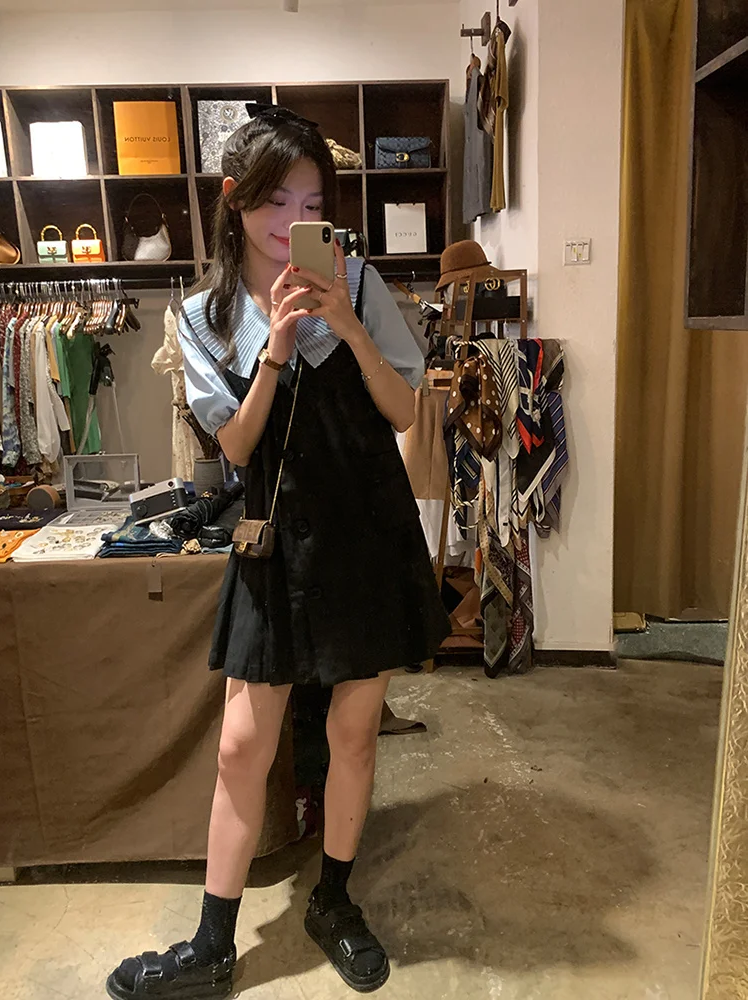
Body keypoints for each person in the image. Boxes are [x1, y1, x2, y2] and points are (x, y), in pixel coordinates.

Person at [106, 106, 450, 1000]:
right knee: (240, 747)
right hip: (273, 545)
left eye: (312, 204)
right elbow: (236, 448)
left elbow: (404, 412)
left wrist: (352, 328)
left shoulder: (359, 282)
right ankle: (213, 943)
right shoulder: (202, 317)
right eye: (275, 202)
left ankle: (332, 901)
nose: (293, 220)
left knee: (353, 733)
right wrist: (277, 350)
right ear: (234, 199)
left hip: (366, 536)